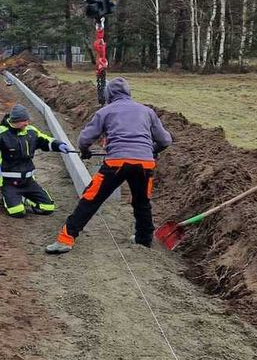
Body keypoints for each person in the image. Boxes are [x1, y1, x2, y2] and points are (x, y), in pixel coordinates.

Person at [46, 77, 173, 254]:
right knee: (142, 202)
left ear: (109, 95)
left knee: (91, 198)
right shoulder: (147, 111)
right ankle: (144, 240)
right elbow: (165, 140)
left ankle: (65, 240)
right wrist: (151, 150)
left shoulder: (106, 111)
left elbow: (84, 139)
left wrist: (85, 151)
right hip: (145, 164)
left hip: (116, 163)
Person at [0, 104, 72, 217]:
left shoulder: (31, 131)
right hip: (9, 183)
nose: (26, 123)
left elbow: (45, 140)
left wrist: (58, 145)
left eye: (27, 120)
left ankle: (24, 199)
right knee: (17, 212)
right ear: (15, 121)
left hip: (28, 181)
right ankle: (7, 199)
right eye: (23, 121)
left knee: (48, 208)